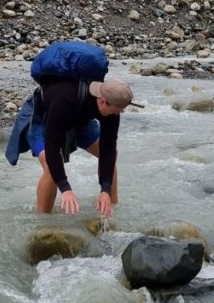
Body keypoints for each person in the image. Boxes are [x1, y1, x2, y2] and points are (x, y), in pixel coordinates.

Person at [28, 77, 138, 217]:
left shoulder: (112, 106)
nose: (116, 115)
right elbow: (53, 147)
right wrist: (65, 189)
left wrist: (105, 189)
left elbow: (108, 148)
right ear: (102, 101)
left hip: (80, 121)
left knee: (111, 154)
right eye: (116, 111)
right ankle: (42, 221)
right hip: (45, 118)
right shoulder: (64, 100)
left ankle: (111, 205)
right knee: (51, 166)